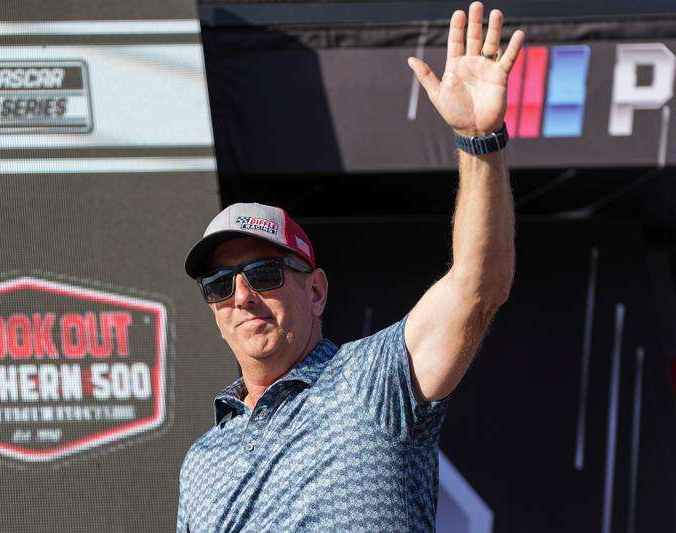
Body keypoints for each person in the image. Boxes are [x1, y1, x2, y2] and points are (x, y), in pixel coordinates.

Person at [177, 2, 523, 530]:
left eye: (265, 275)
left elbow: (478, 287)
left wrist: (478, 142)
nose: (242, 297)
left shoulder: (372, 380)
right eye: (220, 286)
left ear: (316, 291)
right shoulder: (202, 460)